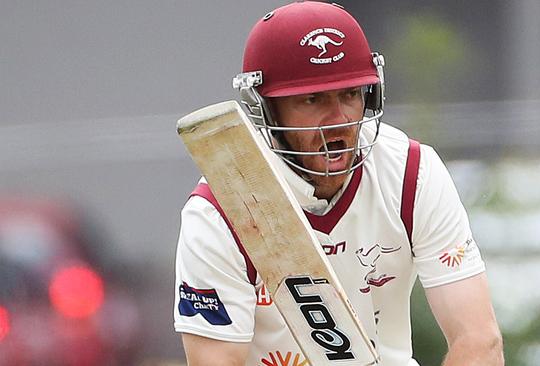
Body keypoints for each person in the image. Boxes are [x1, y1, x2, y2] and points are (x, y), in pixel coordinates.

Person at [173, 2, 503, 365]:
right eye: (312, 99)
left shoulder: (412, 173)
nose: (339, 120)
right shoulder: (220, 211)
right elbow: (215, 360)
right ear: (264, 108)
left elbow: (478, 340)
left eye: (349, 94)